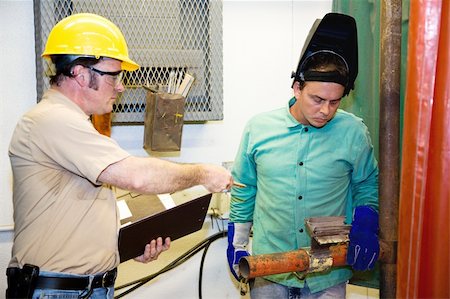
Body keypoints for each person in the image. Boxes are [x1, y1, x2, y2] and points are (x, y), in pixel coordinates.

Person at [6, 13, 233, 299]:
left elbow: (80, 212)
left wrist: (123, 249)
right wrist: (203, 173)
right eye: (114, 75)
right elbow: (137, 176)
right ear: (80, 72)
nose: (122, 86)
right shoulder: (53, 119)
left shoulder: (74, 125)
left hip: (83, 288)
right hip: (58, 291)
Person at [226, 13, 379, 298]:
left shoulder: (353, 132)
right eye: (317, 99)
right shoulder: (259, 129)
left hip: (327, 273)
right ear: (297, 88)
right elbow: (244, 189)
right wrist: (237, 241)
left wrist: (367, 222)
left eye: (335, 102)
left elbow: (366, 184)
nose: (326, 110)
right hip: (272, 268)